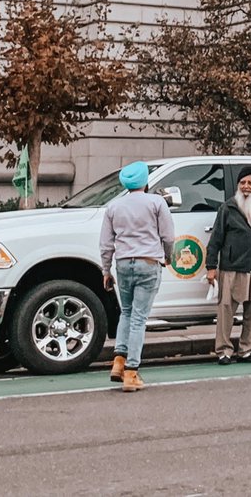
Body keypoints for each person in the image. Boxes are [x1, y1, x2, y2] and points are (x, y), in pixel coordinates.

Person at [100, 161, 175, 392]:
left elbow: (106, 243)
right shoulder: (156, 202)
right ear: (145, 181)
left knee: (127, 312)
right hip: (149, 261)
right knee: (139, 319)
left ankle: (118, 361)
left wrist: (106, 270)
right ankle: (132, 372)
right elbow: (169, 236)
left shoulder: (114, 206)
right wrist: (167, 256)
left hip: (123, 264)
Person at [206, 166, 251, 365]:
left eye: (250, 183)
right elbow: (215, 240)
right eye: (243, 183)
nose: (246, 186)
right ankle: (223, 351)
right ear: (238, 185)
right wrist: (211, 267)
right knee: (226, 310)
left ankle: (246, 350)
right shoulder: (227, 208)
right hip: (231, 268)